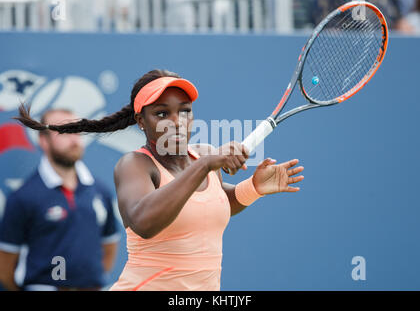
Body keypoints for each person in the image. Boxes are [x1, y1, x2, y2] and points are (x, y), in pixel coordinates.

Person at [13, 69, 304, 291]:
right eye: (162, 113)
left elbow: (210, 203)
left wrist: (252, 188)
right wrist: (203, 165)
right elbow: (143, 222)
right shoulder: (135, 165)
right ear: (142, 122)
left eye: (184, 111)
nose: (176, 121)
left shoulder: (202, 156)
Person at [0, 109, 120, 291]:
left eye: (77, 131)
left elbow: (110, 245)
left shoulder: (101, 191)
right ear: (43, 141)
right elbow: (5, 267)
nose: (73, 139)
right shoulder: (23, 197)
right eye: (64, 131)